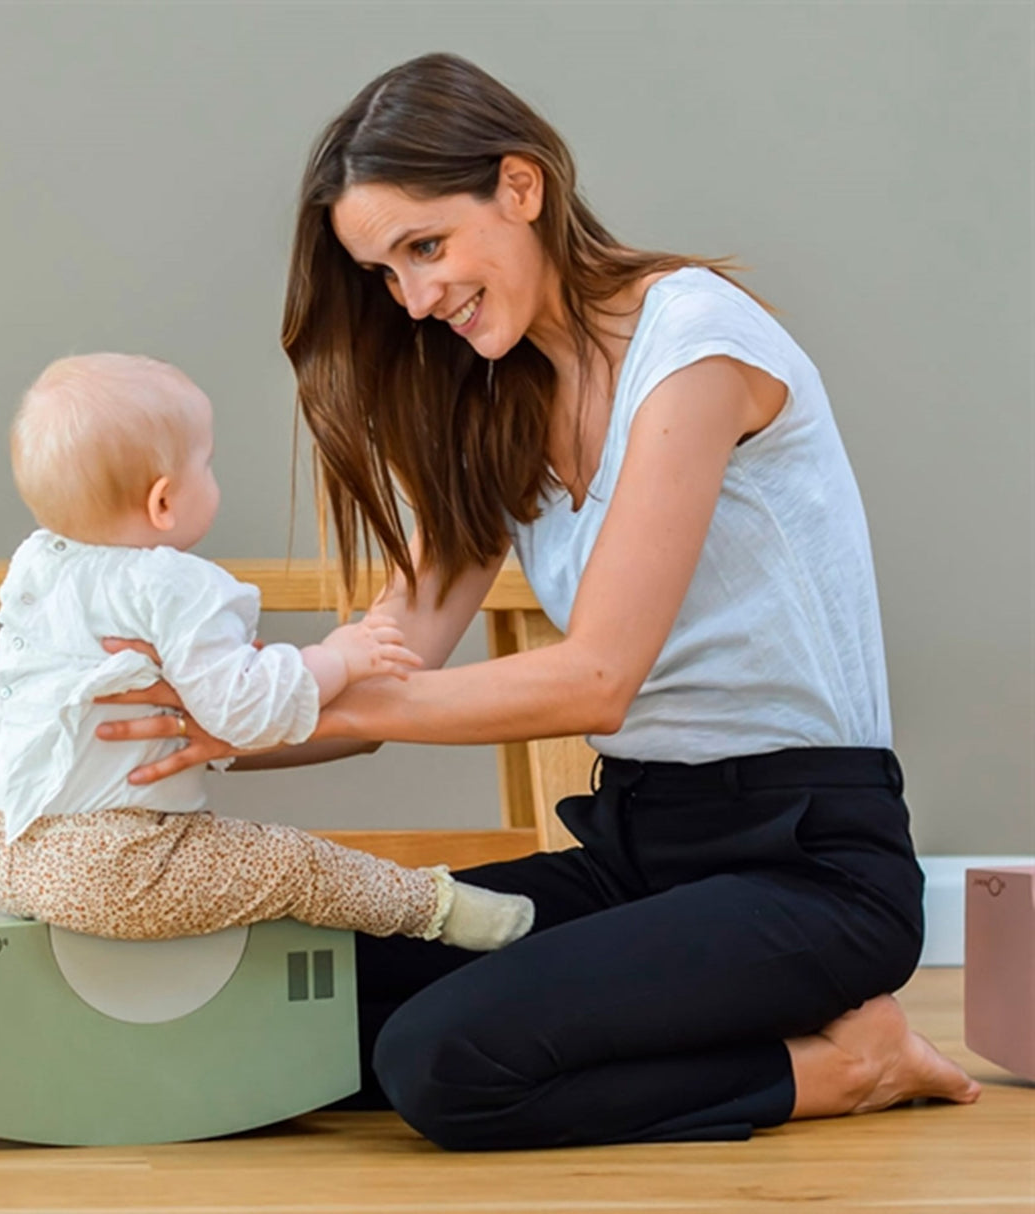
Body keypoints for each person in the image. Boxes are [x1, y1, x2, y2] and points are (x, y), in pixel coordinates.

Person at [95, 54, 981, 1149]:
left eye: (424, 246)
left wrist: (296, 706)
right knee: (277, 997)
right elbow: (386, 662)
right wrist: (186, 726)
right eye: (383, 272)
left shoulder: (691, 339)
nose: (414, 299)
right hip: (635, 850)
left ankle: (840, 1064)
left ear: (520, 187)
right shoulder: (496, 400)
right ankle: (715, 1008)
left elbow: (596, 676)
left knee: (442, 1061)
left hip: (810, 865)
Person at [0, 351, 535, 951]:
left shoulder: (39, 565)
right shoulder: (176, 584)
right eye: (206, 464)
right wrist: (337, 657)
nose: (214, 476)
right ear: (163, 503)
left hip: (1, 847)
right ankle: (440, 912)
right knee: (294, 865)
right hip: (114, 860)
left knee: (223, 867)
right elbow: (242, 712)